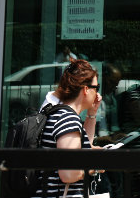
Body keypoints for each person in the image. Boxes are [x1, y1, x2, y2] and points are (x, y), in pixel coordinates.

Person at [34, 59, 102, 198]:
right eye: (96, 87)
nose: (97, 94)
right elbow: (69, 173)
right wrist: (95, 166)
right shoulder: (68, 119)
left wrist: (92, 113)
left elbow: (82, 148)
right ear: (86, 89)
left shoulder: (59, 114)